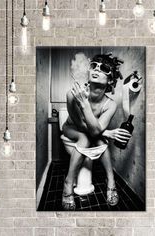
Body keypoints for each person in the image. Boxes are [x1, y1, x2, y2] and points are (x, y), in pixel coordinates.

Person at [62, 53, 132, 210]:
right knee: (87, 138)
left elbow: (95, 132)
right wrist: (106, 133)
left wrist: (101, 133)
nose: (96, 70)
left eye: (104, 69)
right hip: (72, 128)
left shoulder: (110, 104)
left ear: (111, 79)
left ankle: (111, 181)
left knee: (99, 140)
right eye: (94, 66)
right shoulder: (71, 95)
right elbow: (81, 126)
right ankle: (68, 183)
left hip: (90, 131)